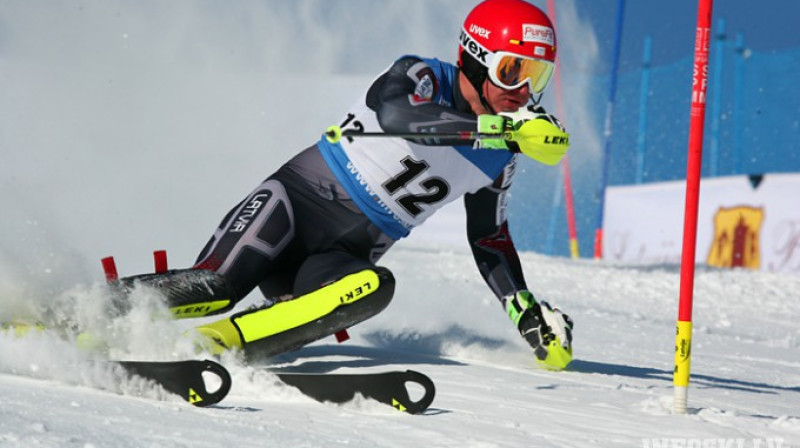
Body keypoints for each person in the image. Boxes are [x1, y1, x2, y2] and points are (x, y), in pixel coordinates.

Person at [122, 0, 574, 369]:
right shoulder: (423, 74)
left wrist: (528, 313)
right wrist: (500, 131)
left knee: (374, 288)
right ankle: (79, 309)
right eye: (512, 70)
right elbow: (398, 116)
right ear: (475, 59)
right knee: (214, 288)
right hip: (293, 208)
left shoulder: (500, 157)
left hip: (340, 259)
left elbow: (489, 238)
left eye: (537, 77)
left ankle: (216, 345)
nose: (521, 90)